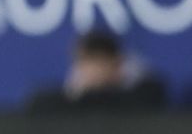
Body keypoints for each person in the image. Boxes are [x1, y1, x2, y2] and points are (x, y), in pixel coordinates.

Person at [27, 29, 168, 111]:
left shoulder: (146, 90)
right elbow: (37, 104)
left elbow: (145, 102)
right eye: (82, 63)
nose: (87, 71)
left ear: (116, 62)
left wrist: (95, 93)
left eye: (94, 61)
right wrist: (78, 95)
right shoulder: (72, 93)